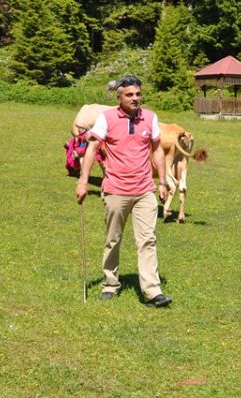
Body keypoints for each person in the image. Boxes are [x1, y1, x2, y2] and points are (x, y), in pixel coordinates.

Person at [75, 75, 172, 307]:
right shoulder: (106, 118)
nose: (135, 98)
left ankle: (152, 292)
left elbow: (157, 150)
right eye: (129, 95)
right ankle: (110, 284)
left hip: (144, 190)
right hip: (115, 190)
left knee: (147, 240)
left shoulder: (150, 117)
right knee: (113, 240)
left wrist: (163, 182)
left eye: (138, 94)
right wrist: (83, 181)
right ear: (119, 97)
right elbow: (92, 149)